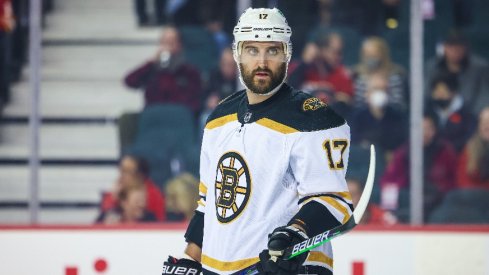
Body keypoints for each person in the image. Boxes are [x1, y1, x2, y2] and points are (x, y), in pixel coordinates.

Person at [162, 8, 353, 275]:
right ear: (237, 53)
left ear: (287, 54)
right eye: (252, 50)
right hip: (217, 268)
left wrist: (294, 236)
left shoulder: (315, 119)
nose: (262, 62)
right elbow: (210, 201)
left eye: (272, 51)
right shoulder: (218, 119)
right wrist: (191, 258)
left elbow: (332, 201)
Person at [380, 112, 458, 221]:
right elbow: (389, 181)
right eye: (419, 128)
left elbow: (454, 181)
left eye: (428, 128)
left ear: (434, 130)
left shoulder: (445, 152)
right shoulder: (403, 153)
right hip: (407, 199)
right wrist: (388, 210)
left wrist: (439, 191)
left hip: (438, 201)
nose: (424, 133)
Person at [124, 26, 202, 115]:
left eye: (171, 43)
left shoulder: (189, 71)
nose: (167, 47)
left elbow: (194, 97)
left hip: (178, 114)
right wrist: (151, 62)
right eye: (164, 43)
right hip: (154, 114)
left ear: (179, 45)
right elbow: (130, 81)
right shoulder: (151, 68)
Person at [425, 31, 489, 116]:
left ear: (465, 48)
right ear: (444, 47)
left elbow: (484, 96)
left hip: (472, 117)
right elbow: (425, 95)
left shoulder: (480, 68)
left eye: (459, 47)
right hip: (438, 116)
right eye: (451, 47)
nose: (455, 51)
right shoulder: (431, 67)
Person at [288, 32, 354, 106]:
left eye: (340, 53)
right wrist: (305, 62)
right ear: (321, 50)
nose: (339, 57)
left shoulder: (343, 75)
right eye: (335, 52)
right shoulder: (303, 70)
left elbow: (348, 103)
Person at [350, 72, 407, 154]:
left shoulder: (397, 117)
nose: (380, 93)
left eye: (384, 89)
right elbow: (354, 144)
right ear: (367, 94)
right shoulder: (357, 117)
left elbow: (400, 145)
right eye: (376, 89)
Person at [99, 155, 166, 221]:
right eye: (121, 170)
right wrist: (113, 198)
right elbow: (105, 214)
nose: (122, 175)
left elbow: (157, 221)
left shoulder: (153, 194)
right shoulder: (118, 190)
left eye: (127, 171)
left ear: (140, 174)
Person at [351, 36, 408, 111]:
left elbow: (398, 105)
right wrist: (368, 97)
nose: (370, 59)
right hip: (364, 118)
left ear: (382, 55)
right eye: (367, 55)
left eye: (374, 55)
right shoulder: (359, 76)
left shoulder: (394, 75)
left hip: (390, 117)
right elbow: (357, 105)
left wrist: (383, 95)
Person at [426, 72, 477, 152]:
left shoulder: (467, 114)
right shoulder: (427, 110)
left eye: (443, 91)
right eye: (436, 91)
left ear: (453, 92)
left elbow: (468, 138)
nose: (439, 95)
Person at [457, 107, 489, 189]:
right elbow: (462, 179)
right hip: (472, 196)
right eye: (483, 123)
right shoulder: (470, 148)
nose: (486, 127)